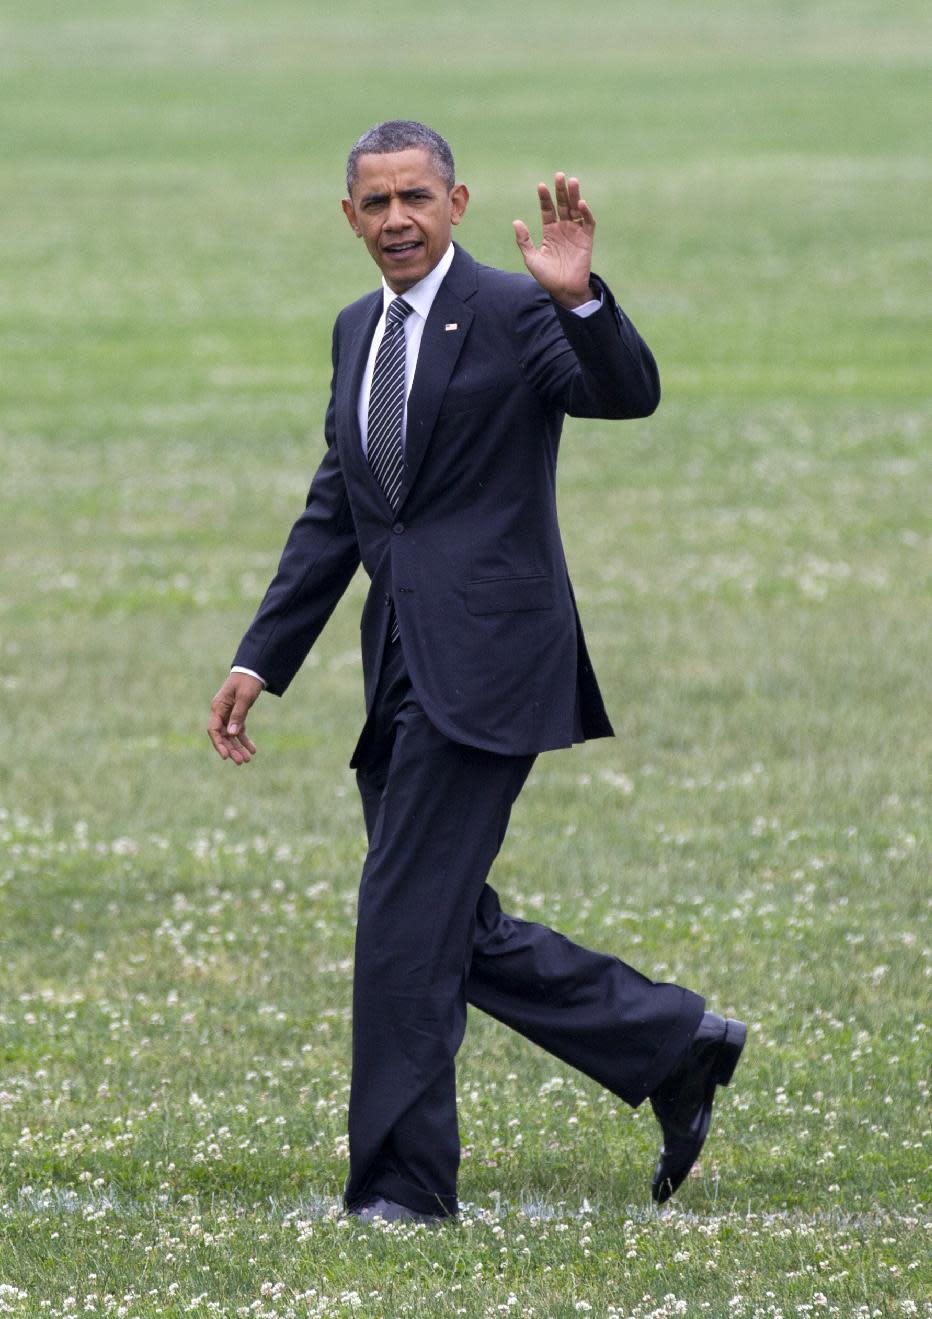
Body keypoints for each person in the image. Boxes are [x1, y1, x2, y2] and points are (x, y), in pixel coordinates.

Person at [207, 120, 746, 1223]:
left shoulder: (512, 307)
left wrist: (579, 301)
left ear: (455, 204)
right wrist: (261, 655)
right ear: (349, 218)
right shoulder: (358, 328)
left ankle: (403, 1188)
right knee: (443, 916)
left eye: (415, 198)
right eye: (374, 204)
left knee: (402, 922)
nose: (396, 220)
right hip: (398, 664)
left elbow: (624, 394)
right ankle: (670, 1039)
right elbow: (339, 509)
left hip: (493, 663)